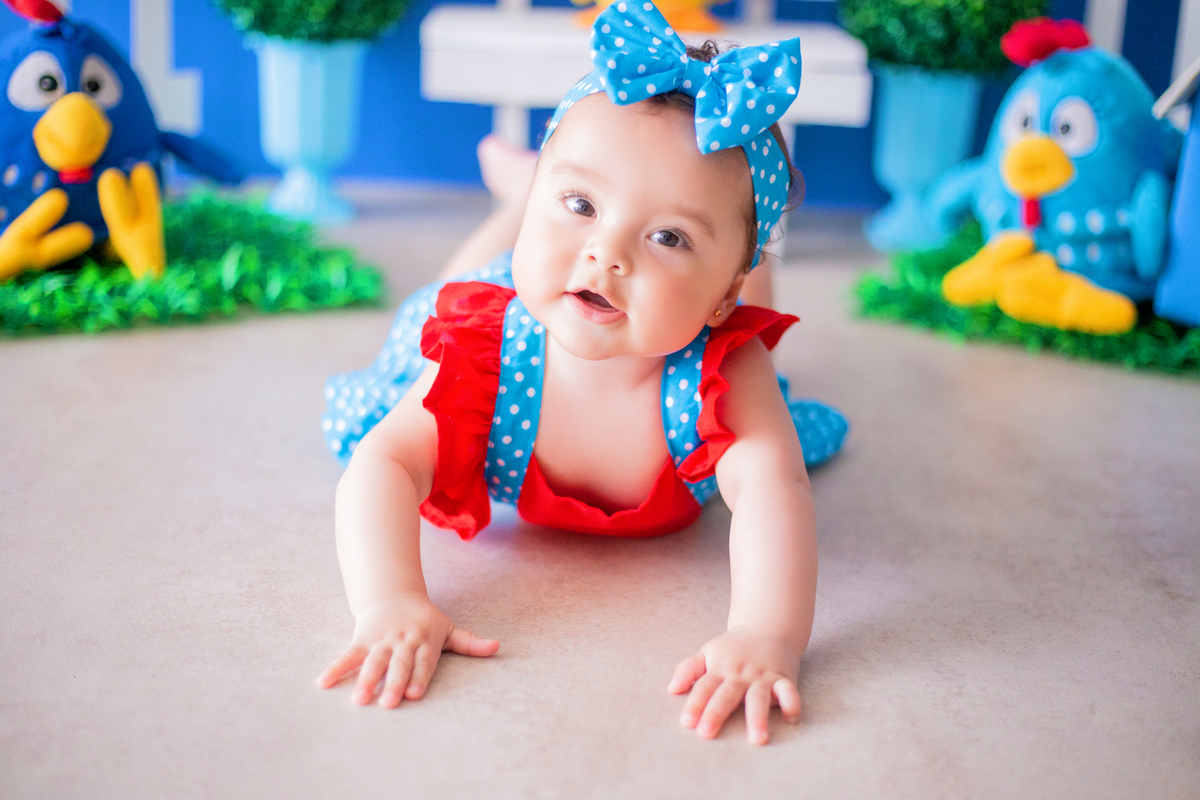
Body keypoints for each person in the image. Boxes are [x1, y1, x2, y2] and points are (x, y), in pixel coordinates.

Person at [317, 1, 847, 745]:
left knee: (747, 304)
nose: (606, 254)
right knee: (461, 281)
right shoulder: (482, 348)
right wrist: (390, 600)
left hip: (694, 306)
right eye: (578, 202)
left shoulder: (721, 372)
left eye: (667, 235)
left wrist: (767, 636)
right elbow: (382, 463)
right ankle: (514, 205)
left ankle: (749, 250)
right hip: (518, 302)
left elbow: (773, 491)